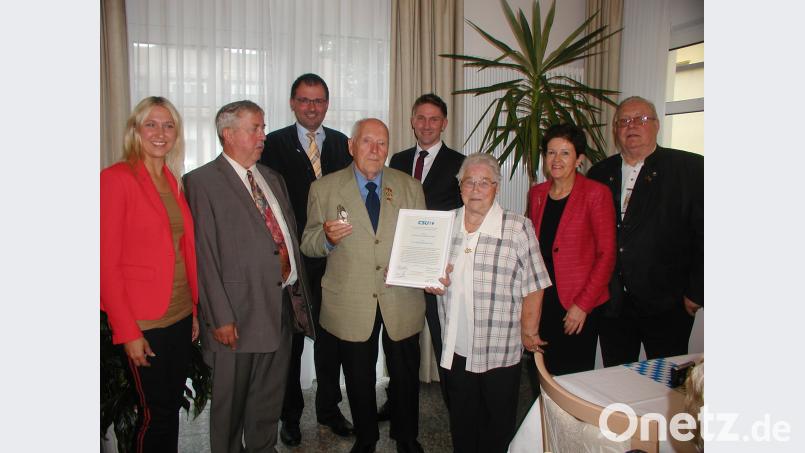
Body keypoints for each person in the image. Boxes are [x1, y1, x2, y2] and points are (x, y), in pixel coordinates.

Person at [184, 100, 314, 453]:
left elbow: (283, 238)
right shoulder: (201, 182)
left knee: (267, 402)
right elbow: (203, 255)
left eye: (263, 127)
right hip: (235, 318)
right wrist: (219, 317)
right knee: (230, 409)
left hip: (279, 308)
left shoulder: (272, 177)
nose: (263, 135)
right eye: (255, 128)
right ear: (228, 134)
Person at [301, 118, 427, 453]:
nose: (375, 149)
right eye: (367, 141)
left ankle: (406, 436)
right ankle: (367, 437)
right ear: (351, 145)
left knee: (405, 373)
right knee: (358, 375)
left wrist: (423, 267)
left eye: (382, 143)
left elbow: (423, 239)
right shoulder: (325, 188)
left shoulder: (408, 186)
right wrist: (326, 238)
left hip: (401, 295)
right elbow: (308, 242)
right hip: (350, 298)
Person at [431, 153, 552, 453]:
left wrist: (529, 330)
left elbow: (535, 284)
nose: (475, 188)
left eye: (484, 182)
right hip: (456, 345)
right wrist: (432, 282)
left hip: (499, 348)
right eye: (469, 182)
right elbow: (431, 274)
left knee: (497, 423)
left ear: (497, 187)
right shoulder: (445, 225)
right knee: (461, 419)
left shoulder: (517, 227)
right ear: (459, 186)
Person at [100, 96, 199, 452]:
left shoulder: (171, 181)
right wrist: (127, 330)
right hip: (144, 321)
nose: (161, 133)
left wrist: (194, 313)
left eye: (168, 125)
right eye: (151, 125)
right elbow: (105, 266)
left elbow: (181, 253)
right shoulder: (116, 179)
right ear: (135, 131)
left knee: (169, 405)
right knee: (153, 414)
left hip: (178, 313)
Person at [261, 73, 354, 446]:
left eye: (318, 101)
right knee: (292, 342)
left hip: (336, 259)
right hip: (291, 261)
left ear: (327, 104)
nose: (311, 107)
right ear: (292, 103)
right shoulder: (272, 145)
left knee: (332, 340)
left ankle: (330, 410)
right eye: (304, 100)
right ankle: (290, 416)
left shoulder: (343, 146)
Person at [587, 95, 703, 366]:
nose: (632, 126)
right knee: (616, 376)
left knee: (668, 383)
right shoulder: (600, 173)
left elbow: (707, 235)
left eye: (641, 119)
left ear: (656, 125)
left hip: (668, 301)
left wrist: (698, 291)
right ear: (615, 129)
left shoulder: (690, 169)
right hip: (613, 303)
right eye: (624, 121)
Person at [384, 93, 464, 414]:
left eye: (434, 119)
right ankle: (397, 404)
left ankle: (455, 406)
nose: (427, 125)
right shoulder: (398, 161)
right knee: (401, 342)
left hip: (438, 269)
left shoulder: (460, 163)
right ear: (412, 121)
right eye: (421, 118)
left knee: (445, 340)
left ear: (444, 123)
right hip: (403, 268)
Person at [526, 123, 616, 375]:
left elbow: (606, 254)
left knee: (572, 376)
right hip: (544, 298)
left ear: (579, 159)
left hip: (577, 303)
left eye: (565, 153)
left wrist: (583, 305)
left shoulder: (596, 193)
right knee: (542, 370)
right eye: (551, 152)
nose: (556, 159)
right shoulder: (537, 194)